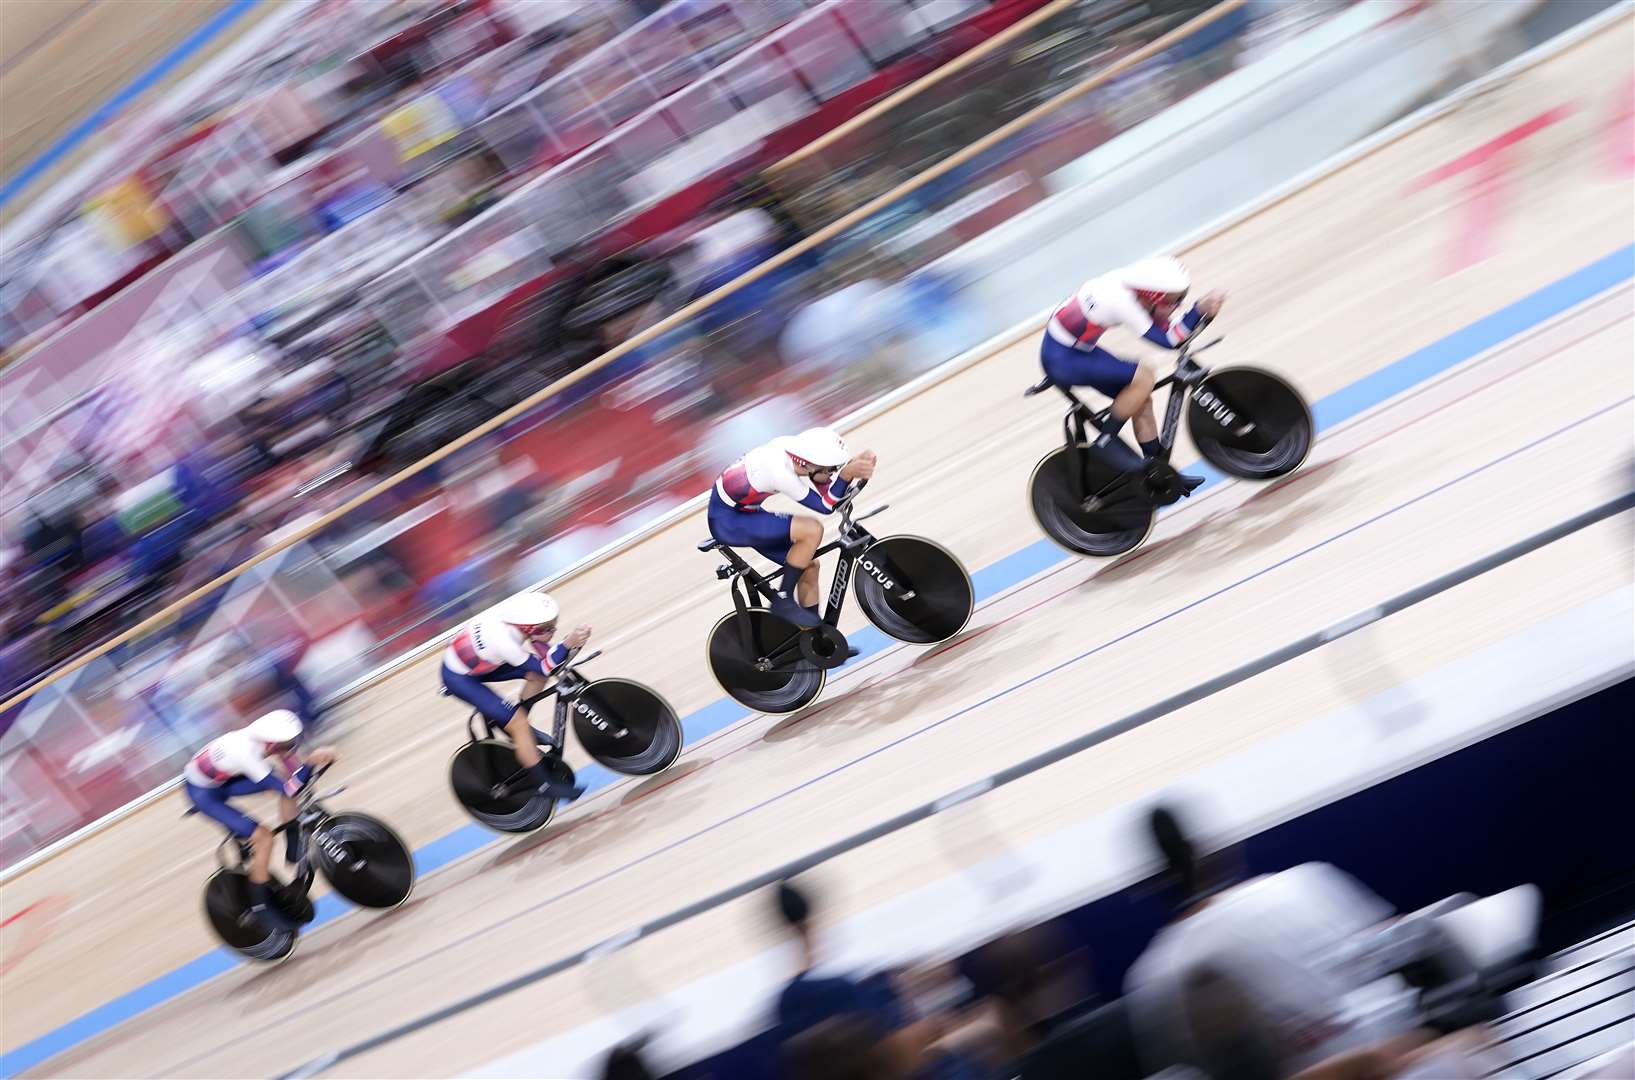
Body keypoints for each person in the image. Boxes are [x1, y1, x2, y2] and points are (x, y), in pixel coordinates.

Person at [1041, 255, 1226, 486]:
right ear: (1152, 295)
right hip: (1064, 359)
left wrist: (1196, 311)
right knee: (1144, 375)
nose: (1177, 305)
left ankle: (1160, 475)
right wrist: (1198, 308)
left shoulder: (1135, 289)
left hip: (1075, 351)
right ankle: (1106, 441)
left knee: (1141, 400)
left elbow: (1168, 324)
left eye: (1182, 298)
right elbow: (1170, 340)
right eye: (1174, 300)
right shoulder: (1123, 302)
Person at [182, 710, 336, 932]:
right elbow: (290, 789)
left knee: (284, 784)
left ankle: (294, 846)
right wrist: (311, 762)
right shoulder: (246, 752)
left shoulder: (267, 741)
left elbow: (293, 774)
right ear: (272, 743)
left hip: (225, 779)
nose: (293, 745)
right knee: (263, 838)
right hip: (204, 794)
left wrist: (305, 773)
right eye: (288, 742)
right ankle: (260, 907)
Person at [708, 427, 877, 628]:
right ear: (807, 464)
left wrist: (850, 467)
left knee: (809, 566)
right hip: (729, 522)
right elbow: (825, 507)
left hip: (744, 513)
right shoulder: (779, 471)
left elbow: (826, 486)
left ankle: (821, 641)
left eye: (835, 468)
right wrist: (847, 473)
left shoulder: (796, 451)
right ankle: (783, 598)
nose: (832, 473)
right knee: (812, 529)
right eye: (830, 468)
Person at [440, 591, 591, 803]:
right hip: (460, 678)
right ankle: (544, 785)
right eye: (547, 628)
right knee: (519, 722)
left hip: (480, 662)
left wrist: (559, 644)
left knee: (534, 681)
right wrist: (566, 644)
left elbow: (539, 649)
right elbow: (544, 667)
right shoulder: (505, 641)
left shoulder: (515, 618)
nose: (552, 631)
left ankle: (513, 729)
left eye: (553, 625)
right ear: (527, 627)